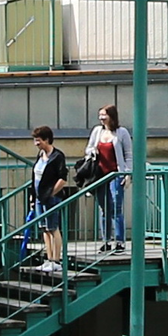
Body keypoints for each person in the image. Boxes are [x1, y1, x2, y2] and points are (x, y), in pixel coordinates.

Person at [79, 106, 130, 253]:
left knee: (116, 208)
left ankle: (119, 241)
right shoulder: (97, 131)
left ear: (112, 116)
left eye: (104, 115)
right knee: (104, 209)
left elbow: (128, 154)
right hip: (100, 174)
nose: (101, 118)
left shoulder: (121, 133)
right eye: (100, 115)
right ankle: (106, 240)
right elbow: (88, 148)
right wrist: (92, 151)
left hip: (115, 174)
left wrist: (128, 174)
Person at [31, 126, 72, 277]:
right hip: (39, 197)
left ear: (46, 140)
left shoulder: (57, 156)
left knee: (53, 227)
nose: (36, 143)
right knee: (44, 228)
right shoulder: (40, 155)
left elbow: (63, 178)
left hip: (51, 198)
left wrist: (51, 193)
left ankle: (56, 260)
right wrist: (33, 195)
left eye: (38, 140)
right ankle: (49, 259)